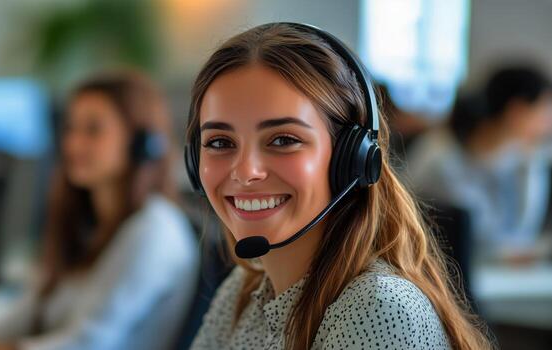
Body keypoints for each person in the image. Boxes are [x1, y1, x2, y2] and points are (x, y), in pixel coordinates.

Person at [185, 23, 494, 349]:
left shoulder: (376, 310)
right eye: (219, 142)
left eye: (283, 140)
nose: (246, 172)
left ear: (351, 158)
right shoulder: (244, 291)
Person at [0, 71, 199, 350]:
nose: (74, 144)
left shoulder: (155, 228)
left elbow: (87, 344)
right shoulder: (90, 224)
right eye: (71, 129)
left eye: (93, 130)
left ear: (141, 144)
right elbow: (24, 315)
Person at [407, 66, 552, 263]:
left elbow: (522, 234)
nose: (548, 123)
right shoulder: (441, 157)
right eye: (544, 111)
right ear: (517, 111)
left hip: (496, 275)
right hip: (442, 268)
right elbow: (479, 235)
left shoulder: (524, 158)